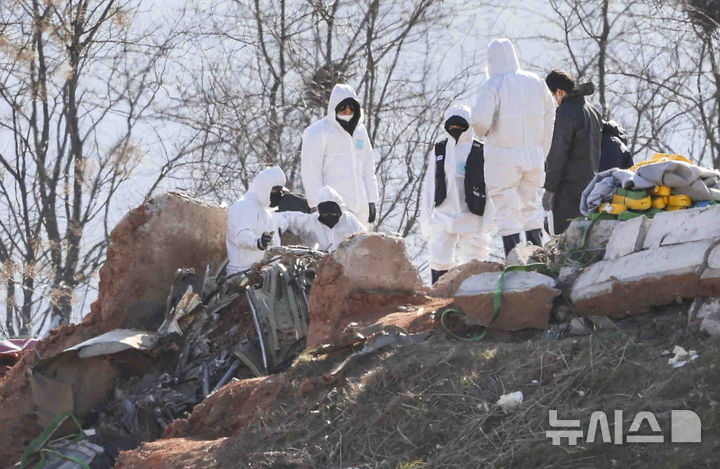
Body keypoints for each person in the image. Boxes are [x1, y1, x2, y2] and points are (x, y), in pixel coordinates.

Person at [472, 38, 556, 255]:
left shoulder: (493, 84)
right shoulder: (537, 82)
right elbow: (550, 119)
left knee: (505, 207)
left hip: (503, 155)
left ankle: (515, 257)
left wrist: (484, 132)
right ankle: (538, 254)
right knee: (530, 205)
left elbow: (480, 121)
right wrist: (541, 151)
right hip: (534, 156)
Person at [420, 103, 494, 284]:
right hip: (444, 215)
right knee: (438, 257)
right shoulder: (439, 150)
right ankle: (438, 301)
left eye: (461, 126)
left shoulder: (481, 150)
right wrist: (426, 222)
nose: (456, 130)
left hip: (472, 216)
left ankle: (471, 299)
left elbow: (491, 188)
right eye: (452, 126)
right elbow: (429, 185)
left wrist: (488, 222)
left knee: (474, 261)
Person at [301, 83, 380, 226]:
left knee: (360, 247)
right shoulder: (318, 132)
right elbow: (310, 170)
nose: (347, 112)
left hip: (360, 208)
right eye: (343, 108)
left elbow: (368, 168)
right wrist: (316, 204)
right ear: (334, 108)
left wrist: (372, 200)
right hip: (332, 209)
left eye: (351, 108)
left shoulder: (360, 132)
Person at [543, 70, 602, 234]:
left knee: (564, 237)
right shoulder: (592, 111)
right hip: (591, 185)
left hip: (568, 189)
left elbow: (558, 154)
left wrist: (549, 189)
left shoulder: (566, 112)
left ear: (559, 92)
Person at [226, 166, 287, 275]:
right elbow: (240, 235)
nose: (279, 194)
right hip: (241, 275)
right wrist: (257, 241)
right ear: (264, 187)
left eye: (280, 190)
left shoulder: (269, 214)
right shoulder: (243, 206)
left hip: (265, 277)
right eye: (275, 190)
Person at [276, 185, 366, 251]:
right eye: (325, 214)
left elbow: (365, 239)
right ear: (319, 212)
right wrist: (279, 227)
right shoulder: (310, 221)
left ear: (340, 211)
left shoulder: (350, 221)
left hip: (344, 268)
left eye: (333, 214)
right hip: (315, 267)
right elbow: (285, 218)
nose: (329, 217)